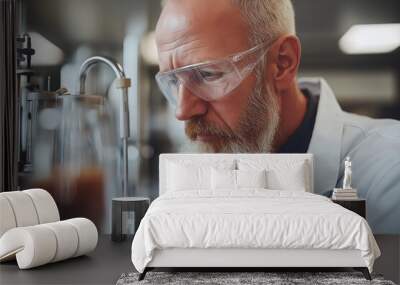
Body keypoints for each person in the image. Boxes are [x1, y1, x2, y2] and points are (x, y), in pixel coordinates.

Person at [154, 0, 400, 233]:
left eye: (207, 74)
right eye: (173, 80)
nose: (183, 111)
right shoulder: (205, 175)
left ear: (282, 63)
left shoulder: (389, 170)